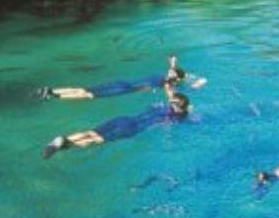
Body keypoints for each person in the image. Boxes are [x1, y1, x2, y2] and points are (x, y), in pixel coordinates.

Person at [42, 83, 191, 159]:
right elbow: (169, 124)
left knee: (90, 132)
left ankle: (62, 140)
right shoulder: (176, 117)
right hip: (130, 128)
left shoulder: (162, 106)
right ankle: (66, 145)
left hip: (123, 119)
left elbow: (170, 95)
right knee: (95, 140)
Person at [37, 54, 205, 101]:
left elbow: (173, 62)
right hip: (125, 88)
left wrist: (194, 81)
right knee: (87, 94)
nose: (169, 72)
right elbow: (174, 62)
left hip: (125, 85)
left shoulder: (170, 81)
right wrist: (194, 81)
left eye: (172, 73)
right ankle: (53, 94)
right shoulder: (170, 83)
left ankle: (51, 91)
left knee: (85, 91)